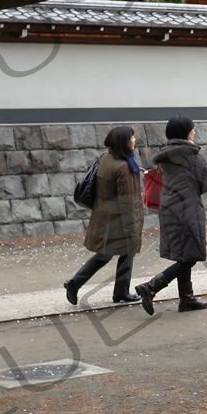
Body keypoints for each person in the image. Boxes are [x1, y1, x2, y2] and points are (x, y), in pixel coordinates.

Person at [134, 116, 207, 315]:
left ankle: (186, 299)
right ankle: (152, 286)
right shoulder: (192, 155)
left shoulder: (165, 155)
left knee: (185, 252)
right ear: (185, 133)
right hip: (187, 208)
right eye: (192, 129)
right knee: (193, 254)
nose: (194, 131)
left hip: (168, 208)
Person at [64, 125, 144, 304]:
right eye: (131, 138)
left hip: (104, 216)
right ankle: (120, 292)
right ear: (124, 142)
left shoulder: (106, 159)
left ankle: (76, 283)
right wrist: (132, 227)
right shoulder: (124, 167)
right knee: (127, 251)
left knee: (105, 254)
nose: (134, 140)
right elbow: (127, 201)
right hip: (119, 220)